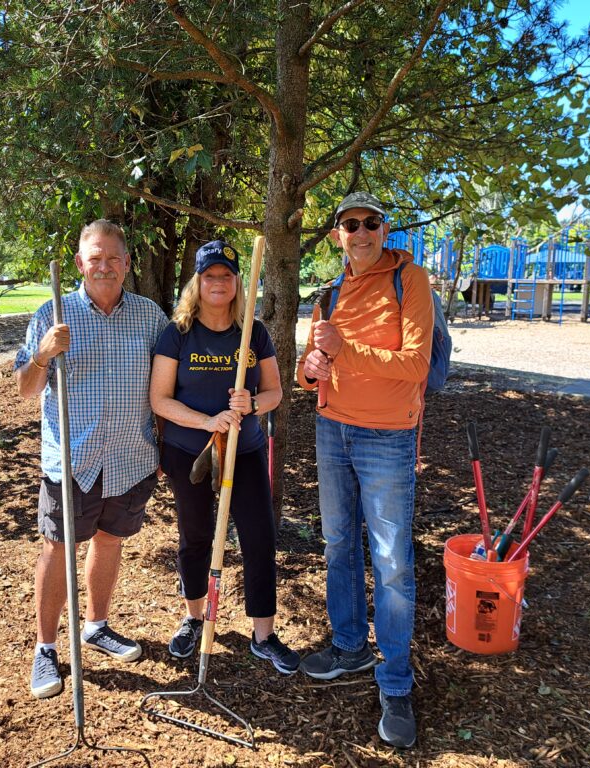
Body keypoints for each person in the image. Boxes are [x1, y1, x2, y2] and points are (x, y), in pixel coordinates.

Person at [296, 192, 435, 748]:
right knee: (337, 545)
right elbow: (313, 370)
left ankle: (396, 681)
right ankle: (350, 645)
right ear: (337, 236)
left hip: (387, 436)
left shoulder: (411, 281)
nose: (360, 232)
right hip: (332, 429)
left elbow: (416, 365)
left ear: (383, 230)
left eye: (370, 223)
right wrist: (310, 370)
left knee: (393, 560)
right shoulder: (328, 294)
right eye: (350, 224)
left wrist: (344, 350)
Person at [15, 219, 168, 700]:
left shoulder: (150, 318)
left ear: (126, 264)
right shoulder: (52, 314)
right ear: (80, 264)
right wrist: (42, 355)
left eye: (113, 258)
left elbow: (165, 387)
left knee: (110, 541)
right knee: (57, 550)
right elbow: (24, 391)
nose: (103, 267)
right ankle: (45, 648)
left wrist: (164, 447)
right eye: (94, 258)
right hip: (73, 460)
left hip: (132, 457)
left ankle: (96, 626)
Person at [149, 240, 299, 674]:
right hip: (189, 449)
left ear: (237, 282)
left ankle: (264, 635)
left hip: (245, 450)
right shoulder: (177, 332)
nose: (218, 282)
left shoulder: (254, 332)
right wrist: (206, 421)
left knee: (258, 537)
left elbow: (275, 392)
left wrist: (252, 404)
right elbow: (159, 400)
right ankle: (194, 619)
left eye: (227, 275)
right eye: (210, 275)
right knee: (195, 538)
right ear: (198, 282)